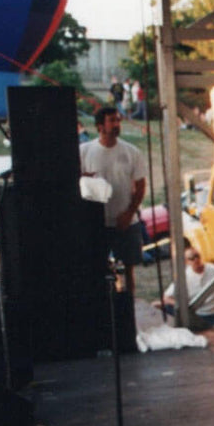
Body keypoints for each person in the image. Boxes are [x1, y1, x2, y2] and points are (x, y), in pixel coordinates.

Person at [80, 107, 148, 294]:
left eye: (118, 120)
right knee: (97, 270)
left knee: (128, 271)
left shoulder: (132, 152)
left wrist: (129, 213)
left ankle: (128, 309)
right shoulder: (84, 151)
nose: (117, 124)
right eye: (112, 120)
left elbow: (141, 187)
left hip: (126, 222)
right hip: (96, 223)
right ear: (100, 125)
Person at [158, 244, 214, 328]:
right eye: (192, 258)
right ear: (186, 262)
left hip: (212, 314)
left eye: (197, 256)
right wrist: (182, 306)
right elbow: (166, 297)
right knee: (156, 305)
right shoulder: (185, 276)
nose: (196, 260)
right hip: (194, 314)